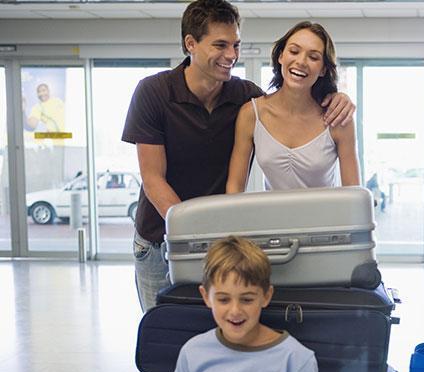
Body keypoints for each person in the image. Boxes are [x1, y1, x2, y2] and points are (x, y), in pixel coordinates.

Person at [121, 0, 354, 312]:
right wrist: (193, 234)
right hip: (160, 238)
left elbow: (289, 101)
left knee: (217, 342)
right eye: (220, 45)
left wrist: (338, 97)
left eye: (236, 45)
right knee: (163, 337)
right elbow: (152, 178)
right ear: (191, 43)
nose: (231, 55)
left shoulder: (246, 98)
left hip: (219, 240)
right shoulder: (153, 92)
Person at [166, 236, 324, 372]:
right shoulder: (192, 352)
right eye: (223, 299)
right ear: (206, 297)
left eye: (247, 299)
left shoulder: (296, 359)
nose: (235, 311)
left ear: (266, 296)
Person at [226, 21, 359, 193]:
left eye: (313, 57)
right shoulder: (251, 114)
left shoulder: (338, 119)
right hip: (272, 219)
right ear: (281, 56)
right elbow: (235, 187)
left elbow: (355, 194)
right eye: (294, 51)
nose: (301, 61)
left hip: (327, 219)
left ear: (323, 69)